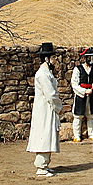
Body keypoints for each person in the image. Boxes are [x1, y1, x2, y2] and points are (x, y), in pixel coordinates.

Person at [26, 42, 64, 177]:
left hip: (49, 109)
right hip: (45, 110)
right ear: (47, 59)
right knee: (44, 135)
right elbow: (50, 94)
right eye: (53, 58)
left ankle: (45, 164)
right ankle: (41, 166)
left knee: (48, 134)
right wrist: (59, 107)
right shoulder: (42, 74)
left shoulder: (46, 73)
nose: (55, 61)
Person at [70, 47, 93, 142]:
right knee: (78, 115)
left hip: (91, 95)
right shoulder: (77, 69)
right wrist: (83, 91)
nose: (90, 59)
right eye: (88, 57)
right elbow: (74, 84)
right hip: (80, 95)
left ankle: (91, 134)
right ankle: (77, 135)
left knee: (91, 115)